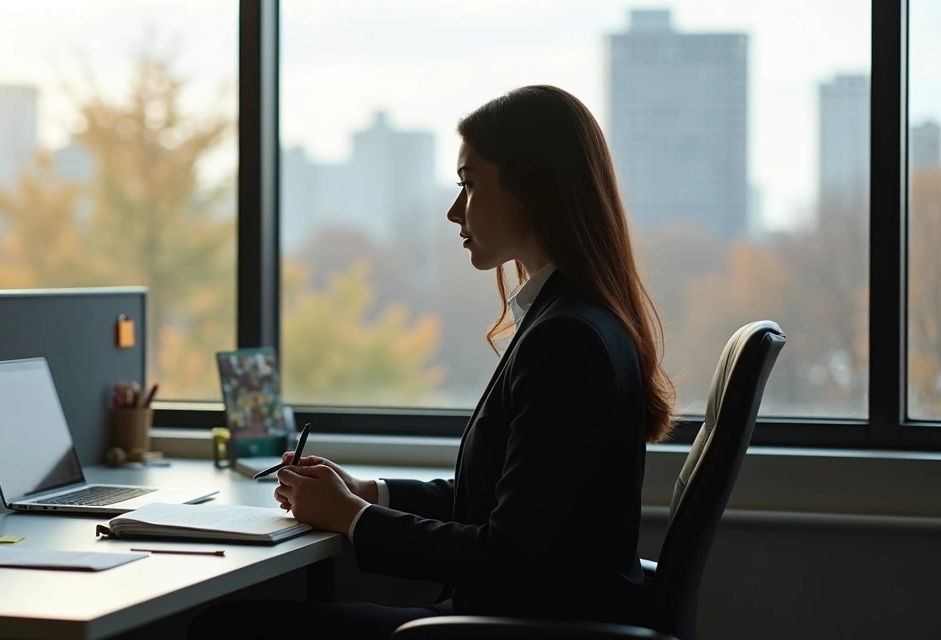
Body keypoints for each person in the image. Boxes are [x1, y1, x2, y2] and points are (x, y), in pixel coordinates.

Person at [187, 85, 677, 640]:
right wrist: (366, 492)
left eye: (469, 184)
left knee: (224, 628)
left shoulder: (566, 339)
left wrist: (349, 517)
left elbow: (507, 553)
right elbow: (497, 503)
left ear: (530, 189)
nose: (453, 210)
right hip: (523, 616)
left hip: (510, 627)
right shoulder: (575, 320)